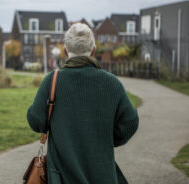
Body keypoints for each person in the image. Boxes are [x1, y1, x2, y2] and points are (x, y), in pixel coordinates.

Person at [27, 23, 139, 184]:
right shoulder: (112, 83)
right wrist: (107, 138)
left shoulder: (52, 81)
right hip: (103, 175)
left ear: (65, 51)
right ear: (93, 51)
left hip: (61, 177)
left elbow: (36, 121)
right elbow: (130, 122)